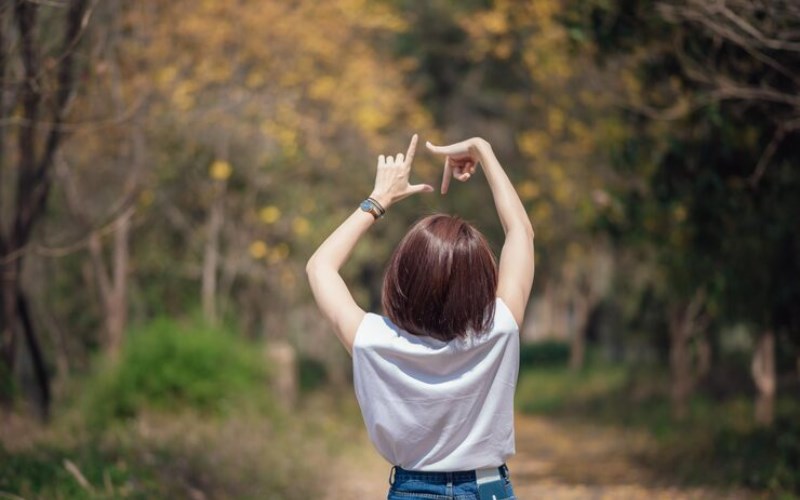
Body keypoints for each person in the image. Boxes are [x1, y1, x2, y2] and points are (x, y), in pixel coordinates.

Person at [306, 134, 534, 500]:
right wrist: (484, 152)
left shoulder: (373, 341)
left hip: (412, 490)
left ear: (402, 276)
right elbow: (520, 232)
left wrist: (379, 199)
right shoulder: (500, 329)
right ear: (481, 280)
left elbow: (320, 267)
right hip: (487, 488)